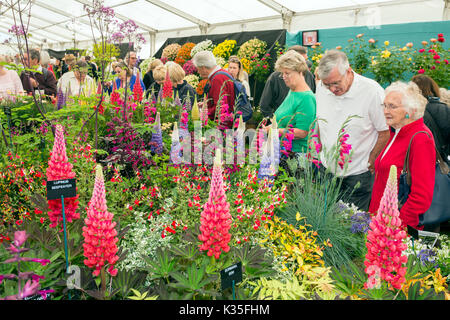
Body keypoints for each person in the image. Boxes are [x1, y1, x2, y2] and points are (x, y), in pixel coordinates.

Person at [315, 49, 390, 212]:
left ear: (349, 72)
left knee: (351, 226)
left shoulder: (372, 91)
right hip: (327, 169)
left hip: (358, 172)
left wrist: (371, 159)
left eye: (335, 83)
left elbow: (385, 132)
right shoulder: (321, 88)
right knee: (323, 217)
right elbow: (321, 122)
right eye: (327, 84)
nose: (331, 89)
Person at [369, 81, 436, 231]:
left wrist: (399, 225)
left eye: (392, 106)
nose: (386, 111)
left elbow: (421, 195)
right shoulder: (396, 131)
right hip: (381, 222)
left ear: (410, 111)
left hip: (396, 229)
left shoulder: (420, 138)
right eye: (384, 105)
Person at [263, 50, 316, 166]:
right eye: (282, 73)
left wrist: (275, 131)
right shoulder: (292, 92)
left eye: (287, 73)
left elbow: (302, 132)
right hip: (284, 152)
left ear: (300, 72)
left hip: (296, 157)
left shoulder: (306, 98)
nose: (284, 77)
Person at [259, 45, 316, 118]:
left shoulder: (308, 75)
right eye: (301, 60)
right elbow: (264, 105)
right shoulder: (275, 77)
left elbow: (313, 98)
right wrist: (272, 121)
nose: (305, 64)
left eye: (305, 60)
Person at [411, 74, 450, 164]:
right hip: (440, 160)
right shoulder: (444, 109)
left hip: (418, 158)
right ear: (433, 88)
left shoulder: (412, 111)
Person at [192, 50, 235, 128]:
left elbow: (219, 107)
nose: (198, 71)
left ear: (203, 68)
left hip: (224, 127)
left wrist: (203, 112)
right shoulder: (221, 73)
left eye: (198, 68)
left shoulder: (217, 79)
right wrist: (206, 104)